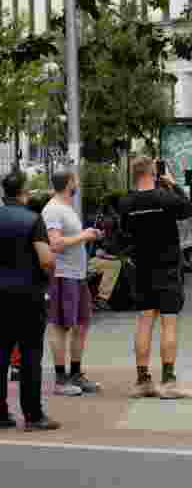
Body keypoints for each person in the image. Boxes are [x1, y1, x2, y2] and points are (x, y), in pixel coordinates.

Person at [119, 157, 192, 399]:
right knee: (168, 323)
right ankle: (168, 382)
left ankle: (142, 380)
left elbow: (123, 233)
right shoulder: (164, 197)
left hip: (141, 269)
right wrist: (173, 184)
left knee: (144, 321)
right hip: (168, 268)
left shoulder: (127, 202)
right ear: (154, 173)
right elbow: (186, 209)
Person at [0, 170, 60, 431]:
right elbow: (46, 259)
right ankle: (33, 415)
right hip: (28, 296)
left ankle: (1, 413)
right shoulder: (33, 220)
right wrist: (48, 275)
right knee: (30, 355)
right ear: (24, 192)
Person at [43, 169, 103, 396]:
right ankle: (60, 379)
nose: (78, 182)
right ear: (69, 183)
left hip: (76, 275)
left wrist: (86, 233)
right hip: (62, 275)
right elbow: (55, 243)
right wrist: (84, 236)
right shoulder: (53, 209)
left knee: (80, 325)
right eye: (76, 179)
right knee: (59, 325)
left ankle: (76, 373)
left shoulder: (66, 208)